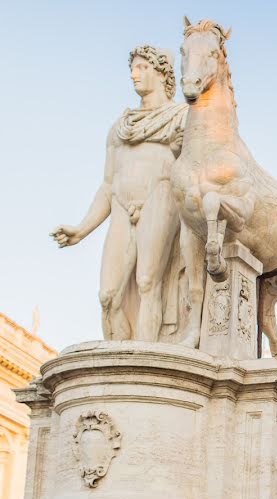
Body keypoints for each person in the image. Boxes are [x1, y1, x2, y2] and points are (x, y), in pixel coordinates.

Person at [51, 46, 188, 342]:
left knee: (148, 283)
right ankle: (119, 363)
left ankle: (145, 365)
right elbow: (108, 185)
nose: (133, 75)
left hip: (160, 200)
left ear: (161, 73)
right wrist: (82, 229)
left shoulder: (182, 117)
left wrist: (180, 151)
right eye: (133, 68)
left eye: (141, 68)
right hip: (121, 206)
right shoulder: (120, 127)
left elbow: (196, 171)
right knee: (108, 295)